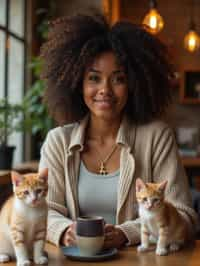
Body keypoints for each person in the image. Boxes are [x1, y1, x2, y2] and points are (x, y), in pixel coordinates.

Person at [39, 12, 197, 249]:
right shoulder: (57, 141)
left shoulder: (156, 137)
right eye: (94, 78)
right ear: (76, 84)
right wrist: (64, 231)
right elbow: (45, 210)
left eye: (118, 79)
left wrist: (126, 233)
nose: (105, 90)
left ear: (134, 85)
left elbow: (185, 216)